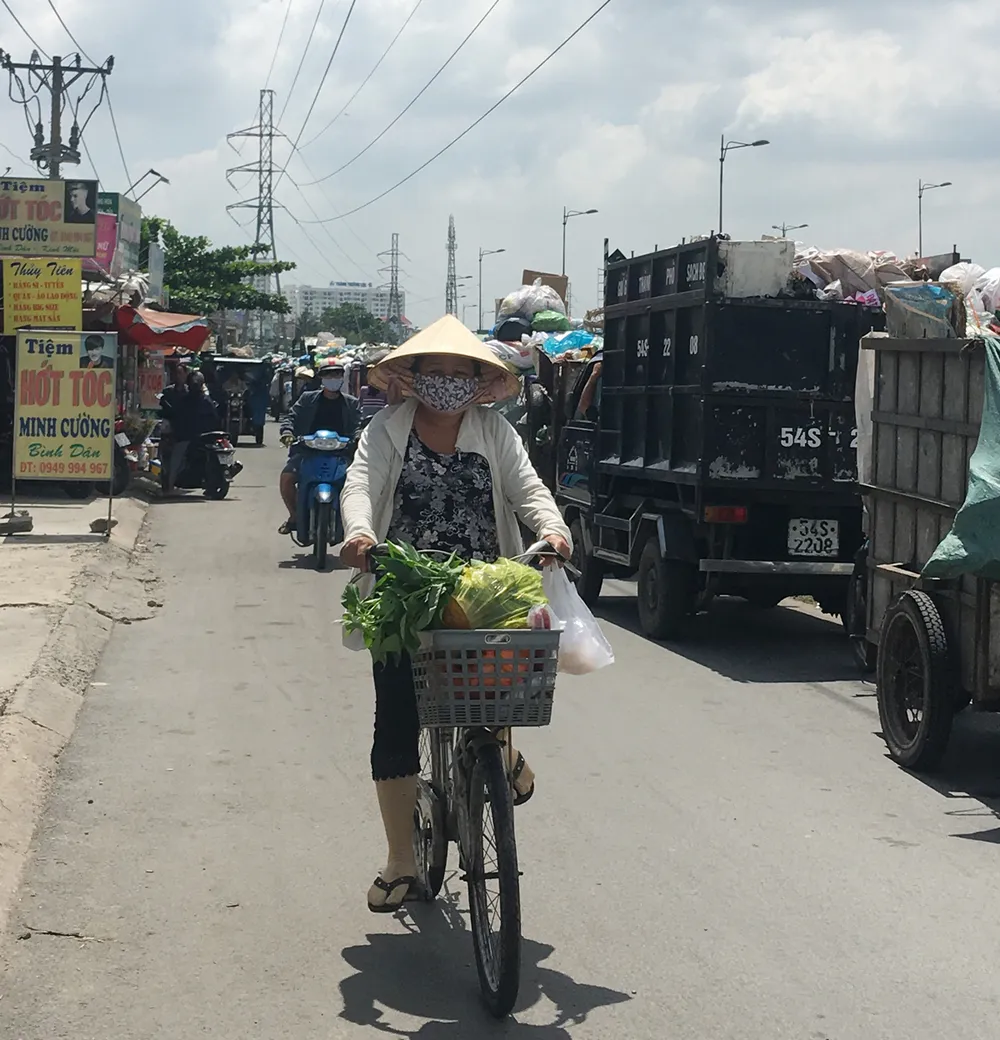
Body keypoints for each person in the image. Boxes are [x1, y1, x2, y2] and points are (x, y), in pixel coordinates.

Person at [339, 314, 572, 913]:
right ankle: (400, 859)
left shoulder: (496, 432)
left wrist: (552, 529)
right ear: (414, 377)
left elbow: (529, 489)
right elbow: (360, 487)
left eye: (459, 372)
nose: (447, 382)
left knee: (497, 695)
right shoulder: (385, 430)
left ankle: (504, 756)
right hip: (403, 588)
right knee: (396, 719)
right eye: (435, 371)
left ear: (478, 381)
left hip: (484, 589)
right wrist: (359, 534)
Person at [278, 358, 360, 534]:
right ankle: (294, 516)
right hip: (307, 451)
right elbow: (291, 417)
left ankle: (353, 525)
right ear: (321, 378)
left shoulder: (351, 403)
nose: (333, 378)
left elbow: (358, 425)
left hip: (341, 454)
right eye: (328, 375)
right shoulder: (307, 399)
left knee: (357, 485)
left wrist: (358, 437)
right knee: (287, 478)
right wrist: (287, 432)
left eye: (337, 374)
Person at [159, 359, 191, 493]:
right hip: (169, 431)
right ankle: (167, 484)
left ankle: (171, 486)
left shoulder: (190, 393)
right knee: (164, 458)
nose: (178, 376)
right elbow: (162, 408)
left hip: (184, 431)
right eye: (176, 373)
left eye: (180, 373)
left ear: (186, 375)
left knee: (177, 460)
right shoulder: (168, 392)